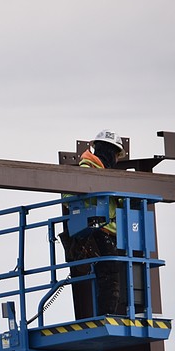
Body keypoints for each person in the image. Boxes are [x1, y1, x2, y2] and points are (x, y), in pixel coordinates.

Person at [64, 129, 127, 315]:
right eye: (115, 154)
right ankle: (105, 316)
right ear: (107, 150)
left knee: (109, 276)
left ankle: (106, 315)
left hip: (110, 233)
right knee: (110, 277)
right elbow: (67, 196)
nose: (115, 159)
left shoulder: (108, 175)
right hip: (96, 231)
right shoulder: (86, 171)